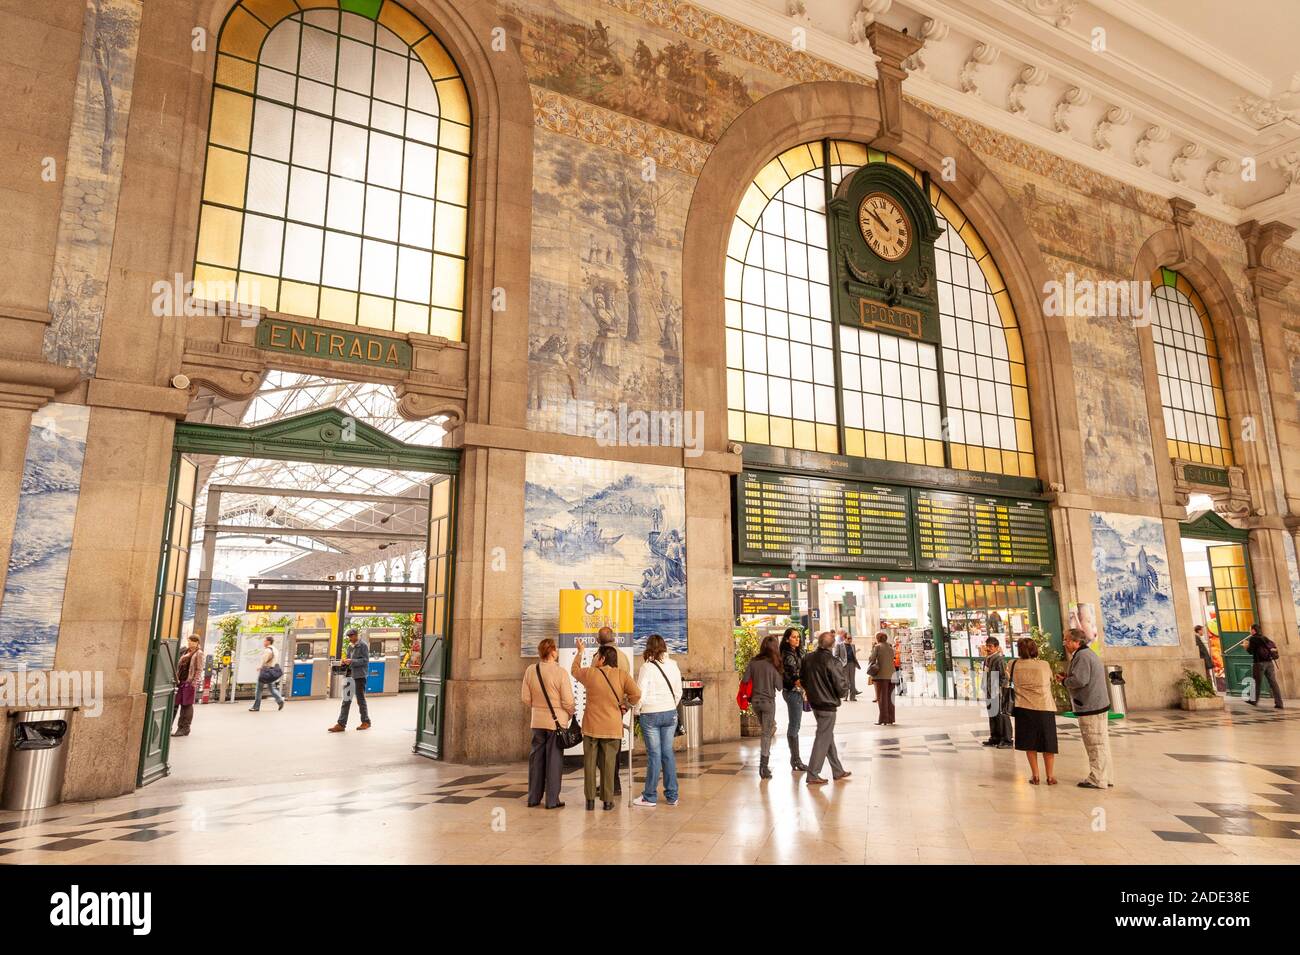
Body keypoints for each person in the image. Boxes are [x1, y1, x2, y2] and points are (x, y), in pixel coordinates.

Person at [571, 640, 641, 811]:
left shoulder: (590, 674)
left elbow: (574, 670)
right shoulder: (622, 675)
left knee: (589, 763)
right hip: (612, 726)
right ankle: (608, 801)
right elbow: (636, 694)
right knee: (609, 765)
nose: (594, 659)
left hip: (591, 727)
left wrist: (580, 652)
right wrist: (625, 704)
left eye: (596, 656)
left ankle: (589, 801)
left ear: (602, 659)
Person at [520, 637, 573, 809]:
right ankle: (552, 800)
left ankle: (533, 798)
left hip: (537, 721)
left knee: (536, 760)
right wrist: (570, 713)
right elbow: (568, 701)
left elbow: (525, 698)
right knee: (554, 761)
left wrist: (538, 707)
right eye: (555, 649)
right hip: (556, 723)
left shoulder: (530, 670)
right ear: (552, 651)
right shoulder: (560, 672)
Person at [632, 634, 682, 807]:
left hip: (651, 714)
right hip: (670, 713)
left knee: (654, 755)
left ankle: (649, 796)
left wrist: (637, 711)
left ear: (648, 648)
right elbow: (678, 692)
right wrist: (670, 705)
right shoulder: (674, 665)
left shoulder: (647, 667)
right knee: (667, 753)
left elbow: (640, 694)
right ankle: (672, 795)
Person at [1060, 628, 1111, 789]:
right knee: (1101, 743)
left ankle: (1097, 778)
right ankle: (1104, 776)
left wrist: (1064, 681)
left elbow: (1080, 680)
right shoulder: (1085, 654)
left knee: (1094, 743)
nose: (1065, 643)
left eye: (1067, 640)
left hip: (1091, 705)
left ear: (1076, 642)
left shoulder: (1082, 656)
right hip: (1095, 704)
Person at [799, 631, 851, 785]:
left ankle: (837, 770)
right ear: (832, 644)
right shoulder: (833, 661)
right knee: (823, 737)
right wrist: (844, 690)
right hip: (828, 705)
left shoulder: (807, 658)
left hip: (815, 703)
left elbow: (802, 678)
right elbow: (841, 687)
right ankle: (813, 773)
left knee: (827, 735)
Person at [1009, 637, 1057, 784]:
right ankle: (1050, 776)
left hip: (1023, 707)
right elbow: (1051, 679)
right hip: (1045, 707)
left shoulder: (1013, 664)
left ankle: (1035, 775)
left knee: (1030, 743)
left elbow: (1007, 679)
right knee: (1048, 743)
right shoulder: (1044, 664)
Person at [740, 635, 784, 779]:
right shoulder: (774, 664)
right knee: (766, 734)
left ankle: (764, 766)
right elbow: (779, 687)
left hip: (755, 703)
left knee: (765, 731)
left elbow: (745, 679)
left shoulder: (754, 662)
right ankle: (763, 767)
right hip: (768, 702)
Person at [596, 625, 628, 793]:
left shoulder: (599, 657)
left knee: (601, 749)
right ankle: (613, 783)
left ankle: (610, 783)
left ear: (598, 640)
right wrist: (625, 705)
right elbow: (629, 685)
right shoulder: (623, 657)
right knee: (614, 747)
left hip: (600, 710)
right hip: (617, 708)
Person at [329, 628, 370, 732]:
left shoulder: (363, 646)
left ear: (356, 635)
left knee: (360, 699)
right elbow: (348, 659)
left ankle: (366, 721)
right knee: (346, 700)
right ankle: (341, 724)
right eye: (349, 637)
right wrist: (344, 662)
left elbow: (365, 661)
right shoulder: (349, 647)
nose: (350, 638)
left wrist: (352, 661)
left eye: (351, 636)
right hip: (349, 675)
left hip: (359, 676)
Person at [780, 627, 808, 771]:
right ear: (787, 639)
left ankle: (795, 759)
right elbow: (794, 677)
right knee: (794, 725)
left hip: (796, 692)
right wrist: (808, 688)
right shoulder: (788, 655)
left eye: (798, 637)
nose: (797, 639)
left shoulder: (798, 652)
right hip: (793, 692)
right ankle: (796, 759)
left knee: (795, 725)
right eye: (793, 637)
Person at [981, 636, 1012, 749]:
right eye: (987, 646)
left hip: (997, 692)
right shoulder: (987, 659)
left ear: (996, 647)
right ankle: (995, 737)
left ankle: (1006, 739)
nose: (988, 648)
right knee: (992, 715)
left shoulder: (999, 660)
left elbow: (1004, 677)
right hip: (989, 691)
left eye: (990, 646)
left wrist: (1000, 689)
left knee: (1000, 715)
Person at [1244, 623, 1284, 709]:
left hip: (1259, 663)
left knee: (1256, 682)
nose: (1250, 631)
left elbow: (1251, 651)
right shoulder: (1264, 638)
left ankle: (1253, 700)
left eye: (1250, 629)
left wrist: (1246, 647)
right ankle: (1279, 703)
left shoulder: (1253, 639)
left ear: (1253, 630)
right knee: (1273, 682)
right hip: (1269, 663)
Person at [173, 635, 204, 736]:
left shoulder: (199, 653)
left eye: (192, 642)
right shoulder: (186, 651)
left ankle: (184, 728)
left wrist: (194, 683)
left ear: (197, 642)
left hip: (189, 682)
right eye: (189, 641)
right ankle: (180, 727)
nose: (190, 643)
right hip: (181, 681)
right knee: (178, 704)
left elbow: (199, 669)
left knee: (186, 705)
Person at [249, 635, 284, 712]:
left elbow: (264, 660)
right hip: (272, 671)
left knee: (259, 690)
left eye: (265, 641)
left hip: (265, 672)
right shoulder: (275, 649)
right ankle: (280, 700)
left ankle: (256, 707)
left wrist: (260, 667)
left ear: (268, 641)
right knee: (272, 688)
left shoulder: (267, 650)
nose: (264, 642)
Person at [869, 631, 896, 726]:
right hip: (892, 675)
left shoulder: (877, 647)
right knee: (890, 698)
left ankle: (883, 719)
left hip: (881, 675)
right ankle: (891, 718)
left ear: (878, 638)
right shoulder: (890, 647)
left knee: (881, 698)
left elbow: (871, 659)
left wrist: (872, 649)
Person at [835, 631, 861, 701]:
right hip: (845, 665)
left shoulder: (852, 645)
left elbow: (853, 655)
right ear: (844, 638)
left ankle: (852, 697)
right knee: (846, 681)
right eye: (849, 638)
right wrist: (841, 664)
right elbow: (836, 656)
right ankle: (845, 696)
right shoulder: (839, 645)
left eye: (851, 638)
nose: (850, 640)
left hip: (852, 664)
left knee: (852, 681)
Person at [1193, 625, 1217, 693]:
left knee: (1208, 675)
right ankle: (1210, 690)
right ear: (1199, 630)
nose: (1203, 631)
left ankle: (1210, 690)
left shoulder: (1199, 638)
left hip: (1205, 660)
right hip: (1204, 660)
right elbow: (1202, 650)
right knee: (1207, 676)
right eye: (1202, 630)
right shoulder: (1196, 638)